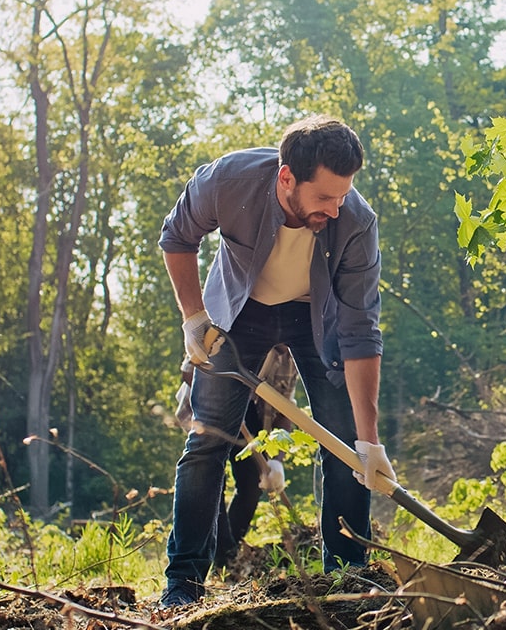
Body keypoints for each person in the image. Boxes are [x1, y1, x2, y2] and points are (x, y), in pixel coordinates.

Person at [158, 115, 389, 608]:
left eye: (344, 194)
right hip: (238, 314)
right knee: (207, 442)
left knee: (345, 445)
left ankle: (348, 580)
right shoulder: (227, 181)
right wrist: (194, 318)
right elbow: (177, 236)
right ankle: (183, 583)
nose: (337, 206)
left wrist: (369, 441)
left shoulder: (356, 222)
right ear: (287, 178)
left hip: (316, 317)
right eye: (324, 197)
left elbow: (360, 331)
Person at [174, 346, 299, 568]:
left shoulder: (289, 357)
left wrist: (276, 462)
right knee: (212, 480)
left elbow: (285, 411)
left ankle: (228, 553)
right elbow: (189, 372)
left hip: (253, 415)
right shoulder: (232, 326)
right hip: (210, 410)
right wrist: (226, 399)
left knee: (252, 483)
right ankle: (223, 554)